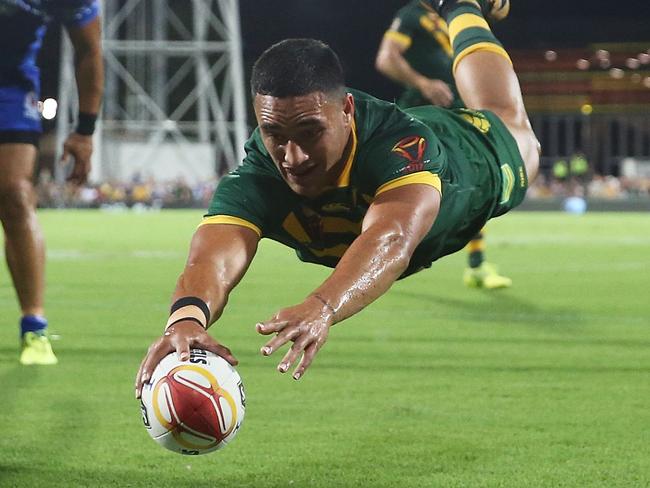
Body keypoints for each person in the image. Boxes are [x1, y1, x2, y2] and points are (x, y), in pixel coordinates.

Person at [135, 0, 539, 395]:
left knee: (504, 115)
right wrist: (185, 321)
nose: (293, 157)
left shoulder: (400, 146)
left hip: (472, 156)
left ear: (346, 110)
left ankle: (460, 5)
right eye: (275, 134)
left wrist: (323, 306)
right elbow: (211, 259)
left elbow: (392, 237)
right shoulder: (259, 173)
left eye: (310, 132)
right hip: (413, 138)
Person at [376, 0, 512, 289]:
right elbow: (387, 58)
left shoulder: (456, 13)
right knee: (396, 189)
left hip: (456, 115)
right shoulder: (413, 15)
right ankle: (378, 253)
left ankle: (476, 264)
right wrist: (423, 83)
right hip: (419, 118)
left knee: (477, 185)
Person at [0, 1, 104, 365]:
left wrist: (84, 131)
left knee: (15, 193)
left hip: (8, 85)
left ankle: (34, 327)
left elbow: (88, 49)